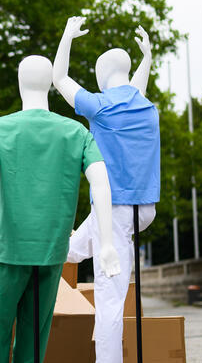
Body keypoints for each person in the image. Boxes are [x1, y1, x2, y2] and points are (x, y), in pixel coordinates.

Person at [0, 55, 119, 363]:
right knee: (34, 339)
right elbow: (102, 182)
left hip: (6, 249)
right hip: (51, 251)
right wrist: (106, 243)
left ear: (19, 82)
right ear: (51, 84)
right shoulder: (77, 133)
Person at [54, 18, 160, 363]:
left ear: (102, 74)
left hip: (114, 211)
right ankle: (42, 250)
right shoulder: (145, 107)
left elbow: (58, 78)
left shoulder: (100, 107)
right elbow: (137, 88)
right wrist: (147, 58)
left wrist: (67, 37)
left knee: (109, 299)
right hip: (142, 209)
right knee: (70, 248)